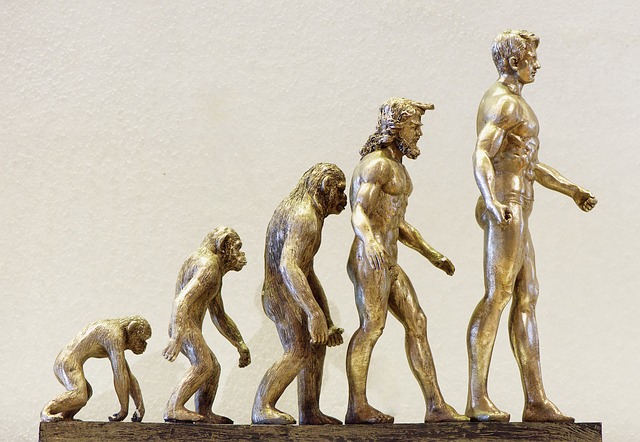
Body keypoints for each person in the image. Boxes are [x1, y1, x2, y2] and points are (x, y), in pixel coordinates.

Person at [466, 30, 597, 423]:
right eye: (530, 58)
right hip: (506, 205)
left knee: (527, 296)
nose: (536, 64)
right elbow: (481, 153)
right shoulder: (504, 103)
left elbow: (529, 164)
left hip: (518, 207)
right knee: (498, 295)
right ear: (513, 61)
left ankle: (535, 400)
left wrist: (571, 189)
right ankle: (477, 398)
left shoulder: (517, 104)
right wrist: (492, 202)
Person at [345, 98, 467, 424]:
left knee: (417, 322)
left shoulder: (398, 169)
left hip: (388, 260)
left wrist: (431, 254)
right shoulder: (377, 166)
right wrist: (370, 240)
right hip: (369, 259)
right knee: (372, 327)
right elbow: (359, 211)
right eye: (414, 126)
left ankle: (436, 406)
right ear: (396, 127)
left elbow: (397, 224)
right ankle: (357, 406)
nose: (419, 133)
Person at [252, 163, 346, 425]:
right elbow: (289, 266)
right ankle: (262, 407)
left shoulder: (307, 212)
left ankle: (310, 410)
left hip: (288, 289)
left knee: (316, 346)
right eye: (339, 191)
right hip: (282, 293)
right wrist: (314, 313)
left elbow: (308, 271)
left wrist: (325, 318)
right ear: (326, 187)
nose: (343, 198)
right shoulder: (305, 216)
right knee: (298, 350)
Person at [163, 227, 251, 423]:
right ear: (223, 245)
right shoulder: (209, 266)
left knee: (213, 367)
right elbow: (181, 301)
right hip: (184, 325)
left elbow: (219, 315)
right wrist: (176, 337)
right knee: (203, 365)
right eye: (236, 248)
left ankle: (204, 412)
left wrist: (239, 343)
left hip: (186, 325)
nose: (240, 254)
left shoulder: (212, 270)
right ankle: (174, 407)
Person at [41, 316, 151, 423]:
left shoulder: (116, 334)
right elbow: (119, 373)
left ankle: (65, 417)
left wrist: (139, 406)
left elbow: (127, 374)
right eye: (141, 339)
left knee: (87, 392)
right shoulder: (114, 335)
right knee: (80, 395)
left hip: (65, 361)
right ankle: (47, 412)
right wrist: (124, 410)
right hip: (66, 363)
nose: (143, 344)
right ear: (132, 329)